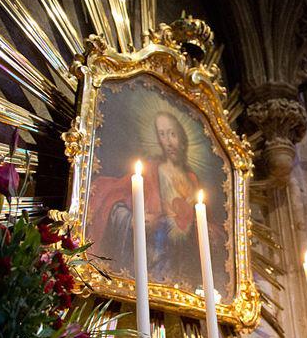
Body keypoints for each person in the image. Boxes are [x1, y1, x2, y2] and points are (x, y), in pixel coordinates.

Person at [89, 111, 225, 288]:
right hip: (150, 262)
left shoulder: (192, 179)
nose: (167, 141)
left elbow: (198, 223)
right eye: (162, 134)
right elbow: (111, 199)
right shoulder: (150, 170)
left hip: (181, 268)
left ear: (182, 137)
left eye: (172, 134)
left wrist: (208, 231)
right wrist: (132, 219)